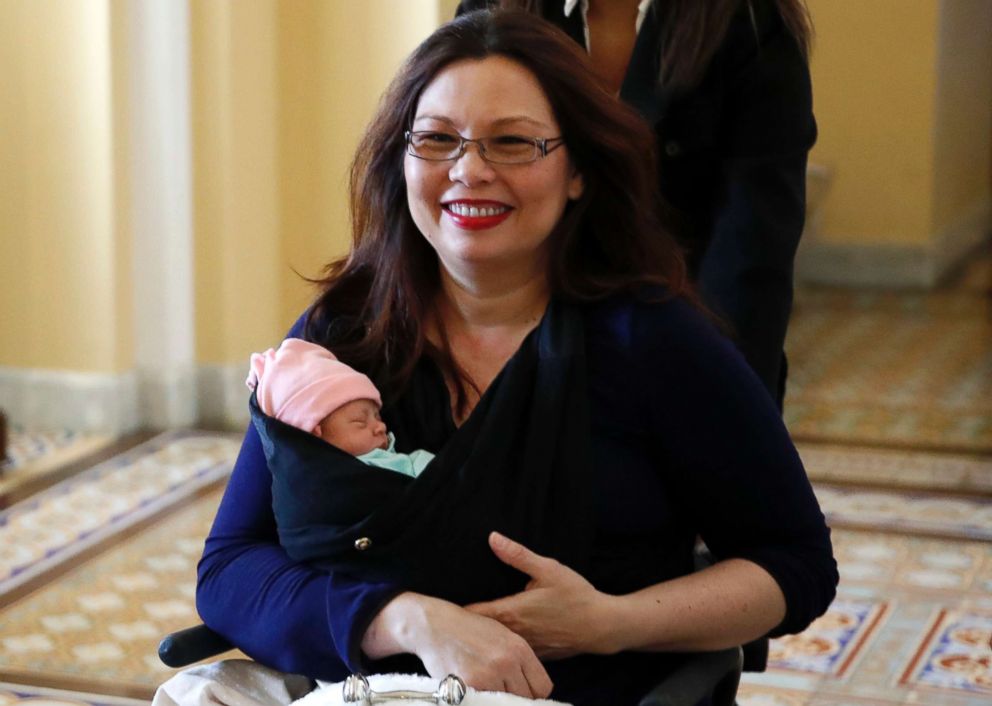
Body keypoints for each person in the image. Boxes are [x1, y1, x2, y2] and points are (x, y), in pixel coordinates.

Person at [190, 9, 836, 706]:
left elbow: (794, 565)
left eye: (514, 143)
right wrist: (407, 619)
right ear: (400, 159)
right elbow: (229, 567)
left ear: (579, 172)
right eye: (437, 140)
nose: (470, 170)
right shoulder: (343, 333)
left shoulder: (655, 342)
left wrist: (607, 623)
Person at [456, 0, 816, 411]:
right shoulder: (492, 7)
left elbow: (751, 250)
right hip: (518, 342)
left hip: (683, 339)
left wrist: (727, 402)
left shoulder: (752, 20)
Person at [245, 338, 434, 478]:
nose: (381, 427)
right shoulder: (312, 481)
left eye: (378, 417)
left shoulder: (404, 461)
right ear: (316, 434)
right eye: (360, 422)